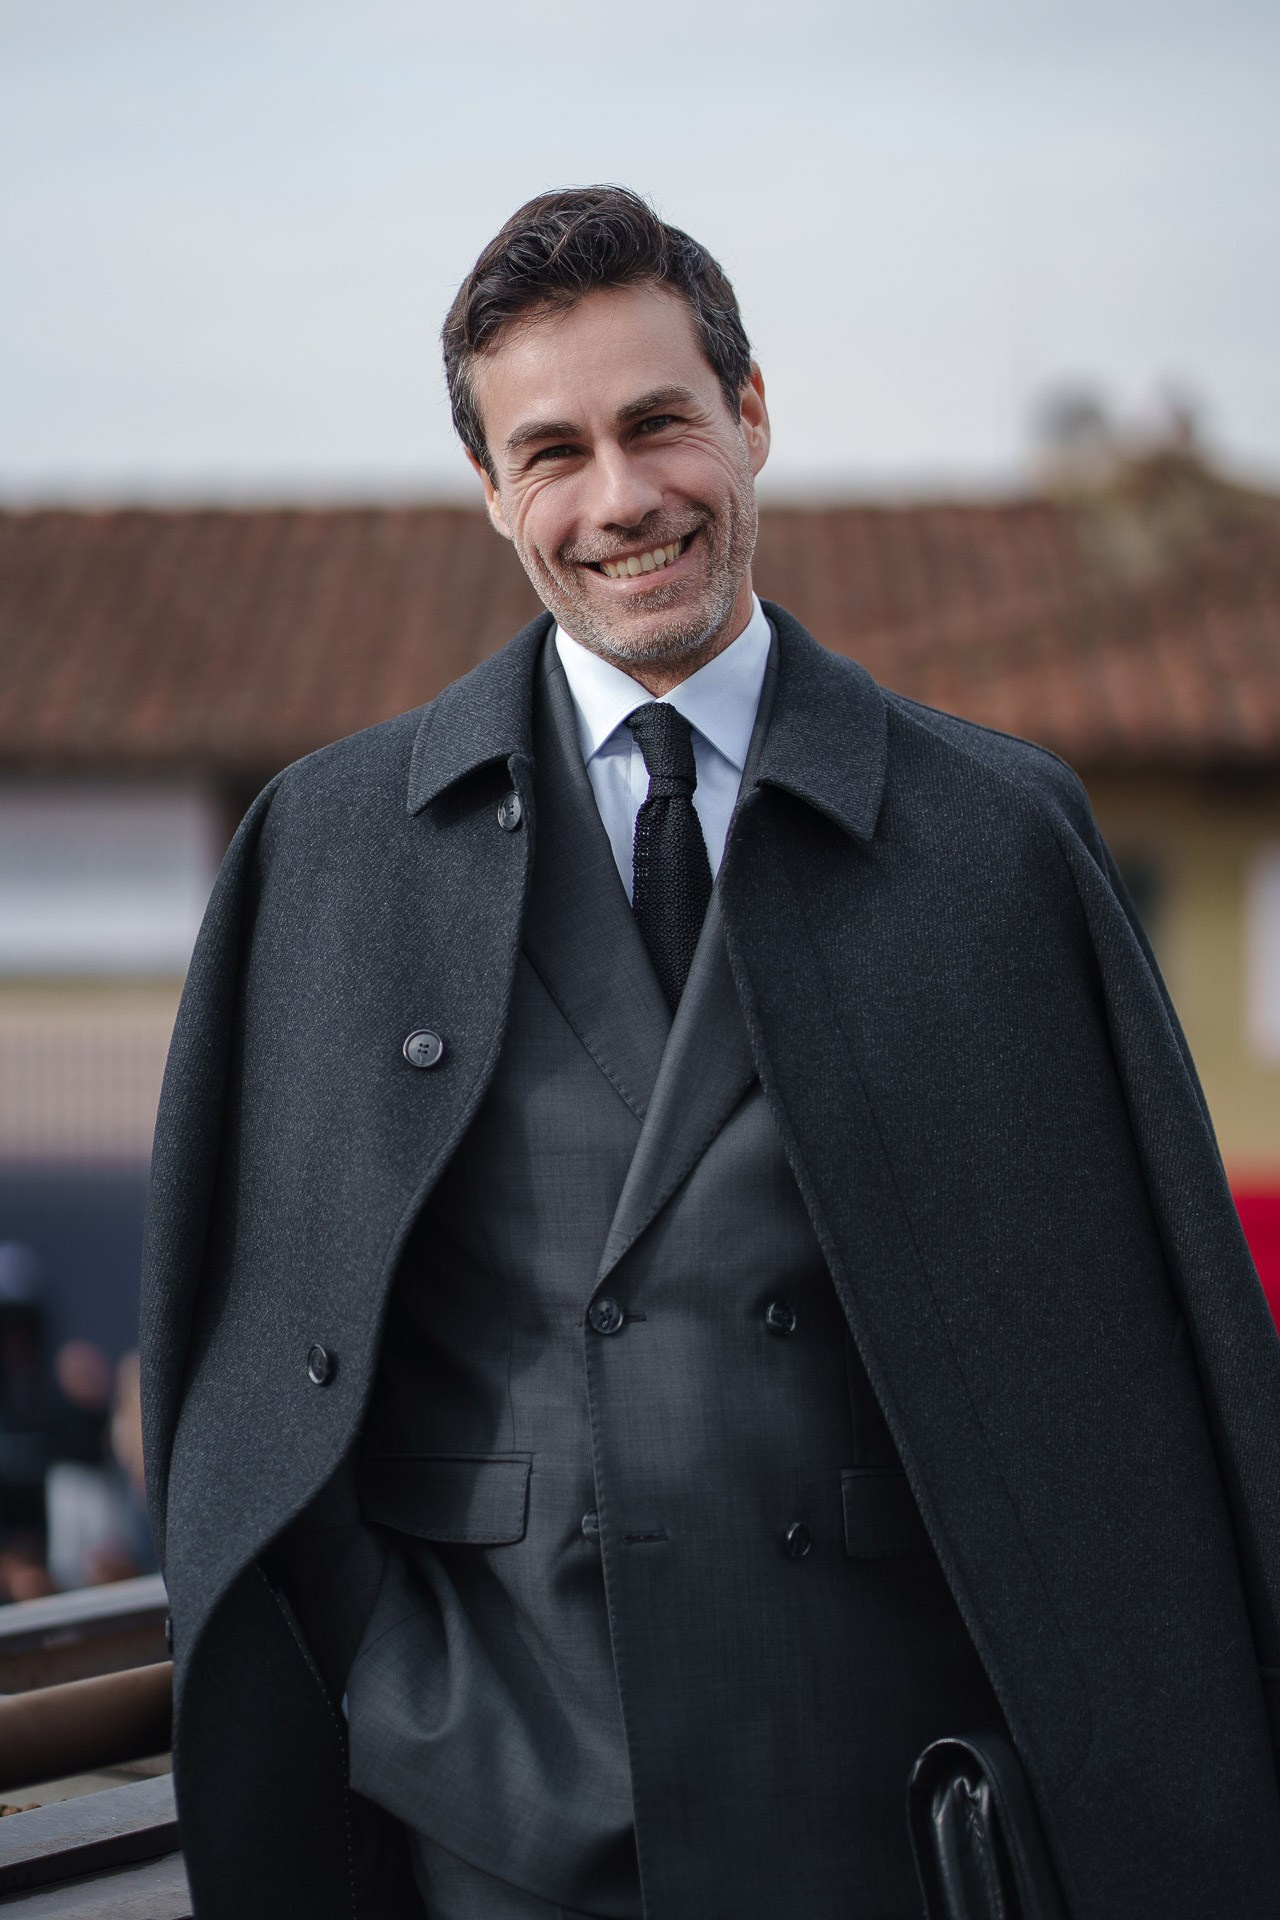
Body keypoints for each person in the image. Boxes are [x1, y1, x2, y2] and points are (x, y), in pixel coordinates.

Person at [140, 187, 1280, 1920]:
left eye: (659, 422)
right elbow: (229, 1380)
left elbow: (1149, 1381)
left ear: (750, 415)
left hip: (914, 1826)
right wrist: (390, 1692)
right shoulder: (326, 853)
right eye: (552, 451)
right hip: (486, 1828)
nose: (620, 500)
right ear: (491, 489)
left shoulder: (999, 841)